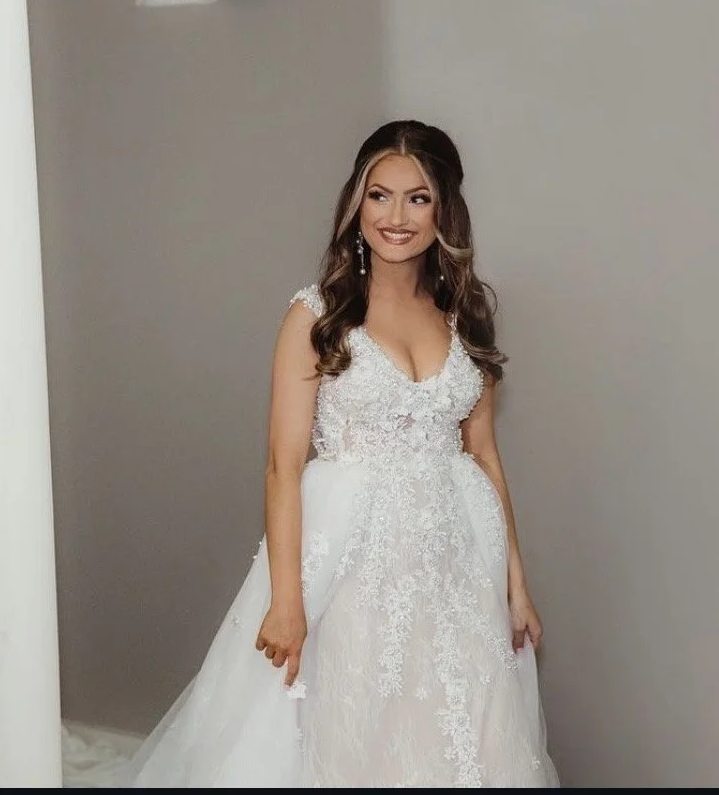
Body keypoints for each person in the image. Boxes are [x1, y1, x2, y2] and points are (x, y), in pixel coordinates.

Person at [123, 121, 559, 787]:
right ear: (356, 203)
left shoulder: (464, 314)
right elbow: (282, 466)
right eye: (380, 195)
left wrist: (516, 585)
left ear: (445, 208)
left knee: (454, 722)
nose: (396, 216)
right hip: (352, 555)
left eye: (418, 198)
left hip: (456, 555)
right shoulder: (317, 314)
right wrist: (286, 601)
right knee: (356, 723)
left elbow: (485, 457)